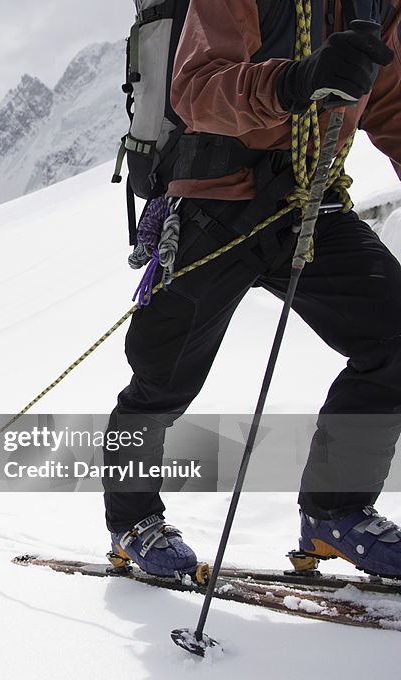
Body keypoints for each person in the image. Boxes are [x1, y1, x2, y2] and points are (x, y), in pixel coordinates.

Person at [104, 1, 401, 578]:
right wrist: (295, 81)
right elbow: (196, 90)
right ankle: (131, 522)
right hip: (212, 204)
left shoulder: (380, 4)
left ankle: (335, 514)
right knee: (160, 383)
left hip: (310, 200)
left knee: (396, 340)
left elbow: (393, 105)